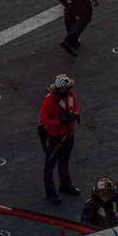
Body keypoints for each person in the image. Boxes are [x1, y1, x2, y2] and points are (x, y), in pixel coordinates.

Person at [39, 74, 81, 204]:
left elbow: (75, 107)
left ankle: (65, 185)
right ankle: (50, 192)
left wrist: (75, 115)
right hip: (55, 137)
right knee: (49, 165)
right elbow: (43, 120)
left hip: (68, 134)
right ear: (57, 89)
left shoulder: (71, 95)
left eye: (67, 88)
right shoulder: (49, 101)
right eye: (63, 89)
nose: (66, 91)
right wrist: (58, 121)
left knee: (64, 161)